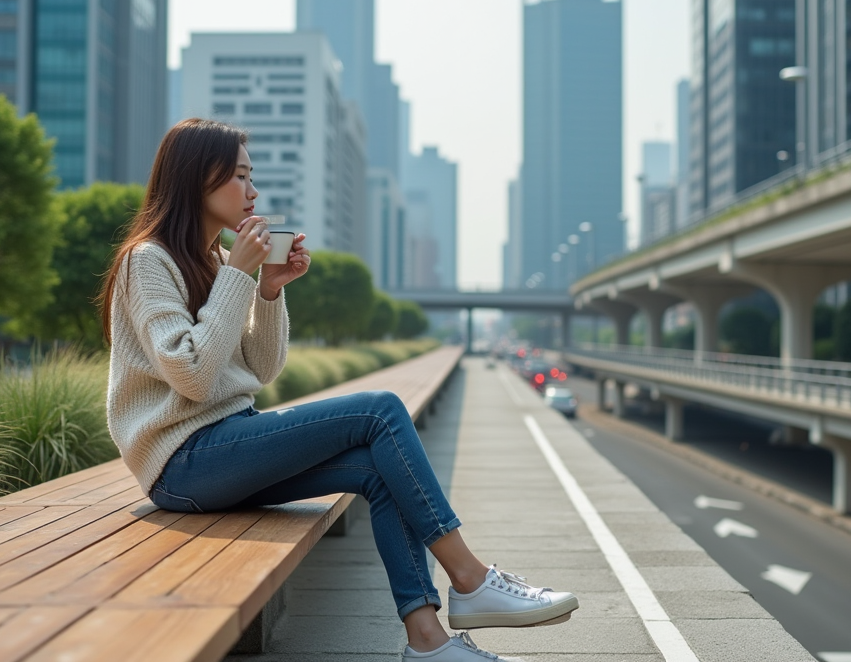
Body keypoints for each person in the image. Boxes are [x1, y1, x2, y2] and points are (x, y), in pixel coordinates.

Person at [101, 119, 578, 661]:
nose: (253, 192)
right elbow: (191, 374)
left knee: (378, 470)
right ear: (195, 179)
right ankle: (469, 578)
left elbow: (259, 370)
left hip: (226, 445)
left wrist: (269, 291)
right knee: (380, 411)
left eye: (250, 176)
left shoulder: (212, 262)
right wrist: (239, 275)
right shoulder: (149, 261)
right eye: (239, 176)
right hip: (182, 463)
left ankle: (428, 642)